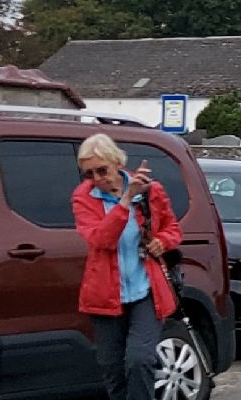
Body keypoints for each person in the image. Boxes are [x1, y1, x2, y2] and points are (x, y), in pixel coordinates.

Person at [71, 133, 180, 400]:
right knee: (112, 368)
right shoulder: (84, 198)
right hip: (105, 294)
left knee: (140, 359)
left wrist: (161, 242)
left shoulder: (150, 190)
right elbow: (101, 240)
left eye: (102, 170)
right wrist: (125, 201)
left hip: (146, 289)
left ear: (117, 163)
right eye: (89, 174)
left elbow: (173, 229)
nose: (97, 179)